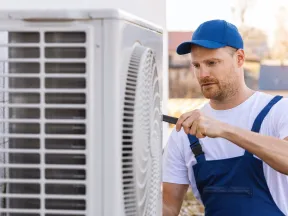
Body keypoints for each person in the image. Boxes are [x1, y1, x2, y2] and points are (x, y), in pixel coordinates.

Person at [162, 19, 288, 216]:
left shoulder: (278, 110)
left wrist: (224, 130)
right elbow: (167, 208)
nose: (203, 74)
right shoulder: (185, 132)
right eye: (196, 65)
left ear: (239, 58)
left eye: (212, 63)